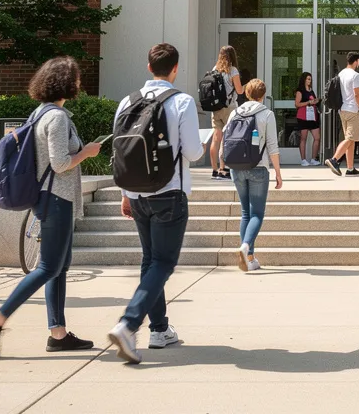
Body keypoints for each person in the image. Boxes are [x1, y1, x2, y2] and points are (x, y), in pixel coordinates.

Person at [0, 57, 101, 356]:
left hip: (50, 198)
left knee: (59, 267)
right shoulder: (57, 118)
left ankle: (58, 334)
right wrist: (86, 152)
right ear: (65, 83)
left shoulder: (41, 113)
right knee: (48, 267)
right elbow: (60, 163)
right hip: (56, 198)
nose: (80, 83)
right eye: (76, 78)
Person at [106, 43, 205, 363]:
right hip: (169, 193)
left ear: (149, 67)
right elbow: (192, 152)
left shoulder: (127, 101)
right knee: (162, 263)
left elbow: (121, 151)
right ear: (175, 69)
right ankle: (129, 323)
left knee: (151, 262)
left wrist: (125, 193)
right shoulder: (182, 101)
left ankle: (160, 329)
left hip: (136, 194)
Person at [221, 78, 283, 271]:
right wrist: (278, 174)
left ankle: (250, 258)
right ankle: (245, 247)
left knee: (245, 213)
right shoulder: (266, 114)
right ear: (263, 95)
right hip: (258, 167)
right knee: (257, 213)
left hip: (236, 168)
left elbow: (225, 139)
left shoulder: (235, 113)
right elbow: (272, 146)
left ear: (247, 93)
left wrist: (222, 164)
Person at [325, 52, 359, 176]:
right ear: (357, 61)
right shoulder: (355, 75)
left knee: (350, 140)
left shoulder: (341, 73)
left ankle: (350, 168)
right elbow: (357, 94)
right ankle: (334, 159)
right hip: (353, 110)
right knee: (350, 138)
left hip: (342, 109)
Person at [207, 45, 244, 180]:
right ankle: (223, 168)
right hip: (229, 108)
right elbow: (239, 91)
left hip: (216, 108)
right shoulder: (233, 70)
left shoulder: (214, 70)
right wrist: (247, 85)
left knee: (216, 138)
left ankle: (214, 169)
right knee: (226, 138)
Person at [294, 72, 320, 167]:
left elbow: (313, 101)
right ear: (304, 79)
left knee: (317, 138)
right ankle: (303, 159)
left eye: (310, 79)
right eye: (308, 79)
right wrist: (308, 102)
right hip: (303, 117)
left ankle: (313, 158)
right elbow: (297, 104)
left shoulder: (311, 91)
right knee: (303, 138)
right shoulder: (300, 91)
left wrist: (316, 101)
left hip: (312, 116)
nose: (310, 81)